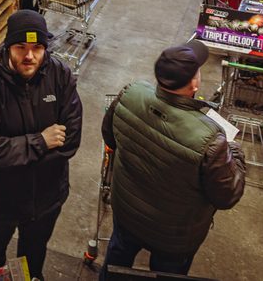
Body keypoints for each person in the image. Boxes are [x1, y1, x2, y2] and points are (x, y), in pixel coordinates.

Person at [100, 42, 245, 279]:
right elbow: (227, 195)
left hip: (127, 212)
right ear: (194, 83)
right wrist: (235, 151)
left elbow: (110, 137)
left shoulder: (129, 94)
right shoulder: (212, 139)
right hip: (174, 237)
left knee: (116, 261)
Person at [0, 10, 83, 279]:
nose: (29, 56)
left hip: (45, 199)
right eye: (21, 47)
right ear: (9, 47)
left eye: (37, 48)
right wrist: (40, 142)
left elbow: (71, 140)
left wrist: (13, 154)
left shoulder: (61, 76)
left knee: (32, 259)